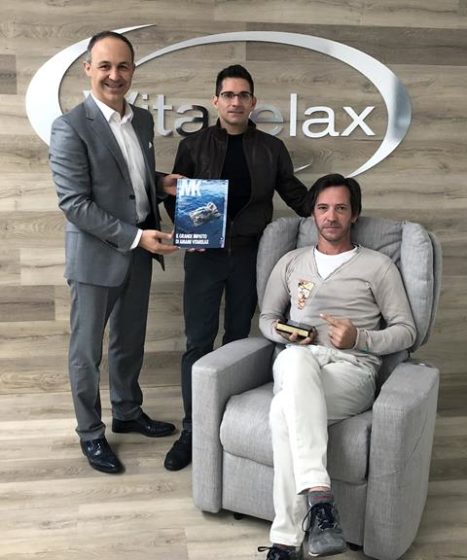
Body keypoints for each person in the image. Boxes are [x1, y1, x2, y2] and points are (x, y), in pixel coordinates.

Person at [257, 174, 416, 559]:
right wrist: (287, 333)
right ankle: (320, 501)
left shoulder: (378, 266)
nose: (331, 217)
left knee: (282, 413)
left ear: (354, 214)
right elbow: (267, 319)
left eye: (341, 208)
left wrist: (360, 338)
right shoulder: (291, 262)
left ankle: (285, 542)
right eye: (323, 208)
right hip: (298, 361)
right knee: (296, 359)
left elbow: (407, 331)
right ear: (313, 214)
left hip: (352, 370)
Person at [163, 64, 310, 471]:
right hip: (204, 258)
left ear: (253, 101)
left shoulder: (271, 149)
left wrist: (332, 207)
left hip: (250, 256)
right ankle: (192, 428)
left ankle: (226, 424)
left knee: (237, 340)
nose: (235, 101)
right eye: (228, 95)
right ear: (216, 101)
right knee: (198, 342)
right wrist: (187, 232)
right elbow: (175, 195)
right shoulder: (193, 145)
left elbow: (295, 194)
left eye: (243, 95)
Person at [48, 30, 180, 475]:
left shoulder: (141, 121)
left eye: (123, 66)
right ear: (88, 68)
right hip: (97, 256)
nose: (114, 75)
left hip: (140, 250)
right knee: (86, 352)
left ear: (133, 70)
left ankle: (127, 411)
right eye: (104, 65)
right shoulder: (70, 127)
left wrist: (160, 182)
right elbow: (75, 203)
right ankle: (90, 433)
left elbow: (128, 178)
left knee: (129, 340)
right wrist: (136, 237)